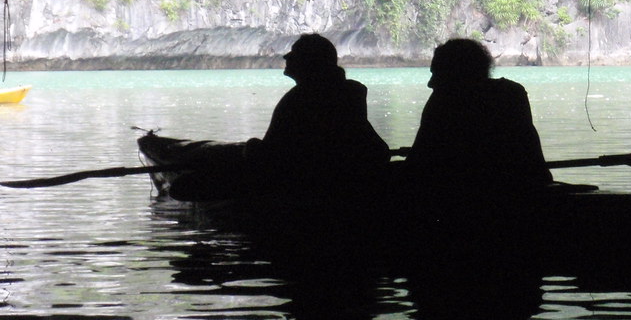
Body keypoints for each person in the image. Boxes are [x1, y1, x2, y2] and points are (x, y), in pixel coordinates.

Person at [167, 34, 390, 200]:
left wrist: (252, 148)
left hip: (304, 181)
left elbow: (271, 156)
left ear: (310, 62)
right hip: (339, 176)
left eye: (295, 53)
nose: (287, 56)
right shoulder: (350, 92)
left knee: (181, 187)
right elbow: (375, 149)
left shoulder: (299, 100)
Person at [404, 39, 552, 196]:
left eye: (437, 74)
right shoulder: (512, 93)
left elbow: (416, 162)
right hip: (524, 191)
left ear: (456, 74)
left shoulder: (443, 102)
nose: (431, 83)